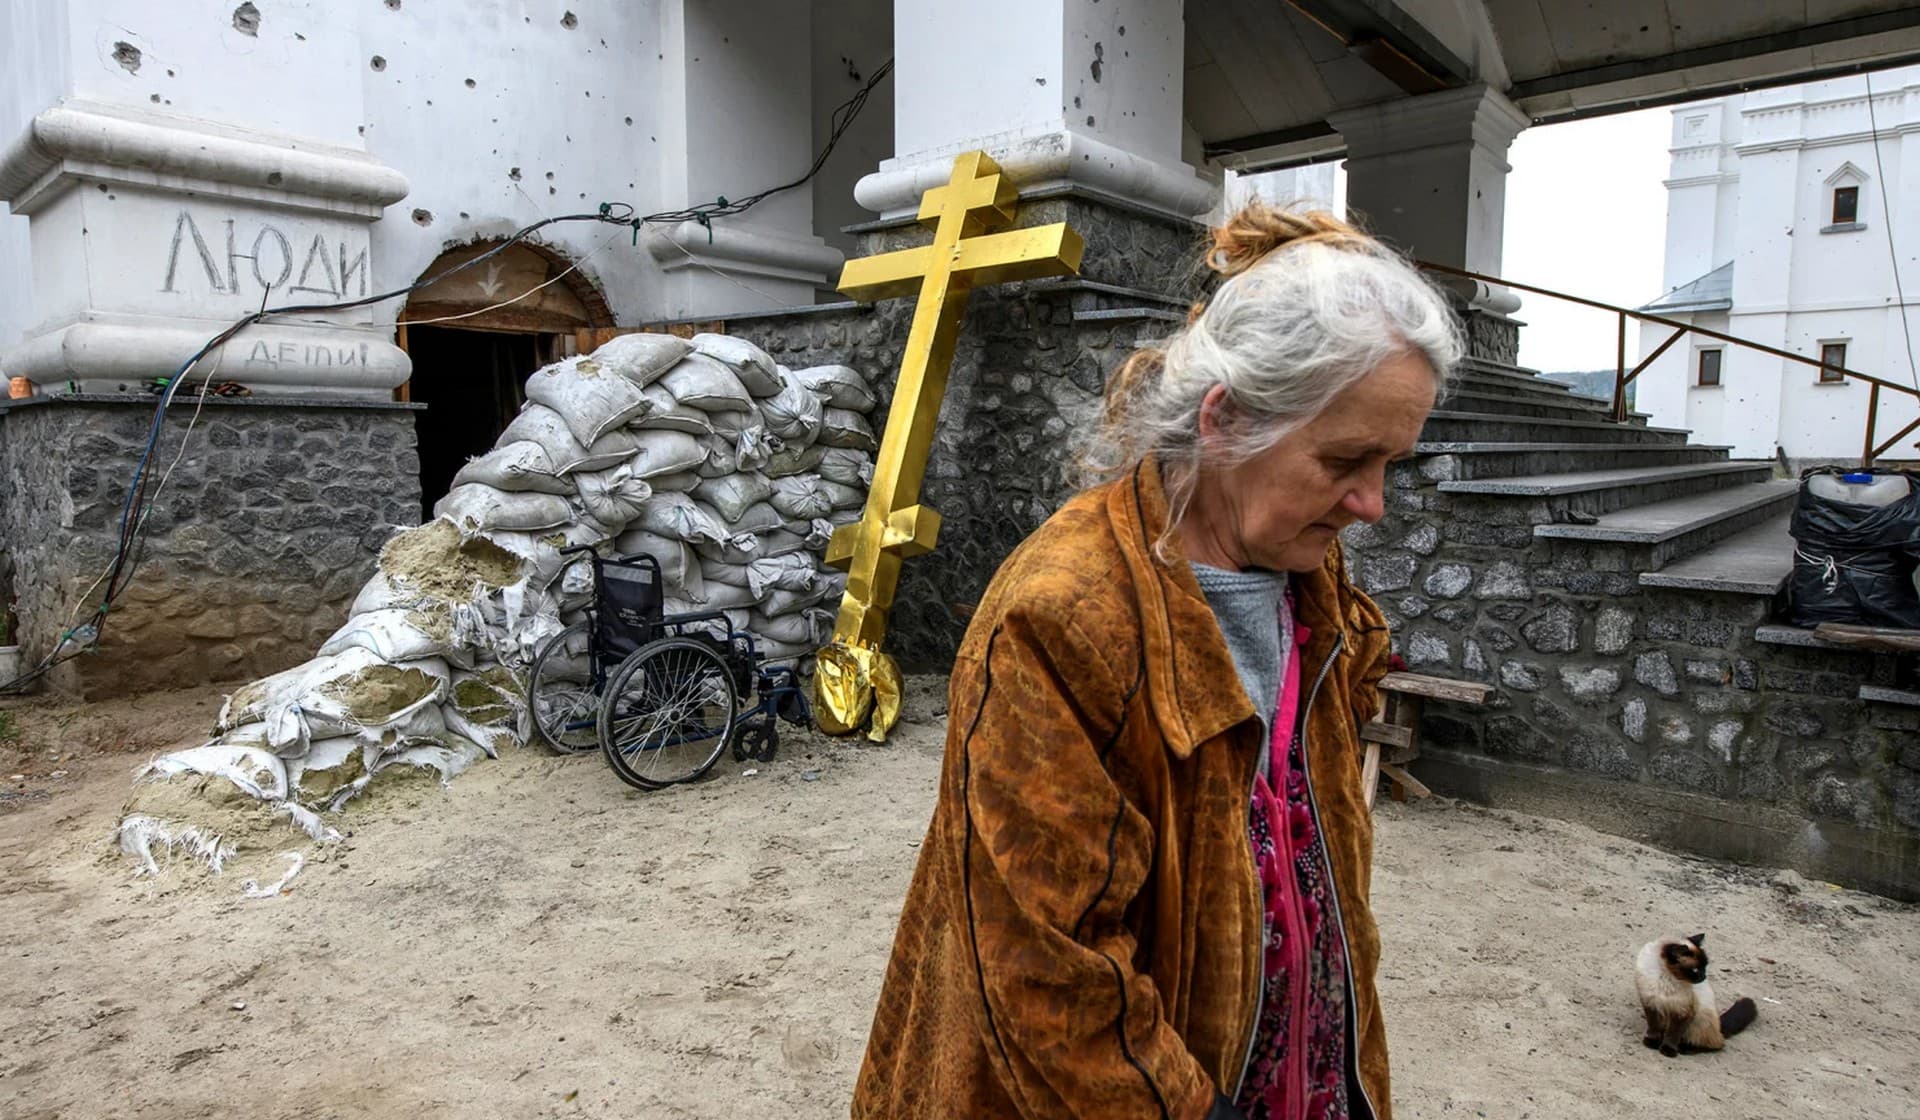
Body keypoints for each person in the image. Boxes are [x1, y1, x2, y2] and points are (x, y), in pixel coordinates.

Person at [849, 201, 1463, 1120]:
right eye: (1345, 459)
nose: (1371, 503)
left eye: (1392, 464)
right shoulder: (1061, 618)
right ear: (1224, 422)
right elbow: (1046, 970)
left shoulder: (1314, 587)